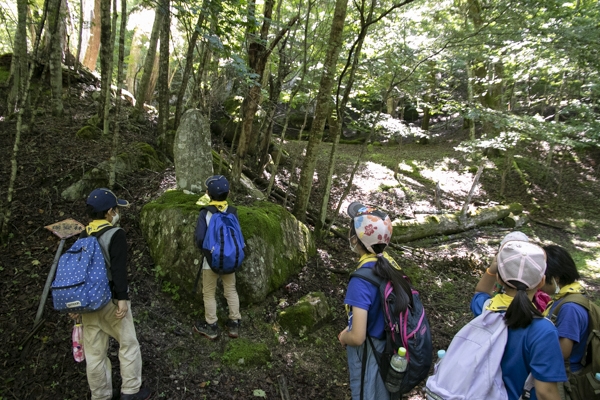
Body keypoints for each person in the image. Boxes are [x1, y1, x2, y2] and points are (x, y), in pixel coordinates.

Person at [77, 188, 150, 400]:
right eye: (115, 209)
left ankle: (100, 395)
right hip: (110, 301)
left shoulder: (83, 234)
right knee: (128, 344)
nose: (117, 213)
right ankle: (130, 391)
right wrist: (122, 299)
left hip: (88, 303)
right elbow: (118, 270)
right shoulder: (115, 234)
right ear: (109, 212)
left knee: (94, 354)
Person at [472, 240, 566, 400]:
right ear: (541, 281)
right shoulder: (544, 330)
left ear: (500, 280)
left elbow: (480, 292)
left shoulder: (485, 309)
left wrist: (492, 270)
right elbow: (546, 392)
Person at [337, 202, 410, 400]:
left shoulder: (361, 280)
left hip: (370, 352)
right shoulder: (390, 265)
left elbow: (358, 336)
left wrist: (344, 337)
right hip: (390, 346)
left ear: (355, 238)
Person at [193, 175, 242, 339]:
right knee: (230, 290)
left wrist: (207, 252)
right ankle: (234, 323)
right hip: (230, 259)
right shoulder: (233, 212)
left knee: (209, 293)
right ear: (228, 194)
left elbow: (200, 238)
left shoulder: (206, 213)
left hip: (210, 261)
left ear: (208, 193)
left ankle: (212, 326)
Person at [540, 245, 590, 399]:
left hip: (566, 379)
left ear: (556, 278)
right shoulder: (565, 297)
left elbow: (563, 351)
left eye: (542, 275)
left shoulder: (569, 308)